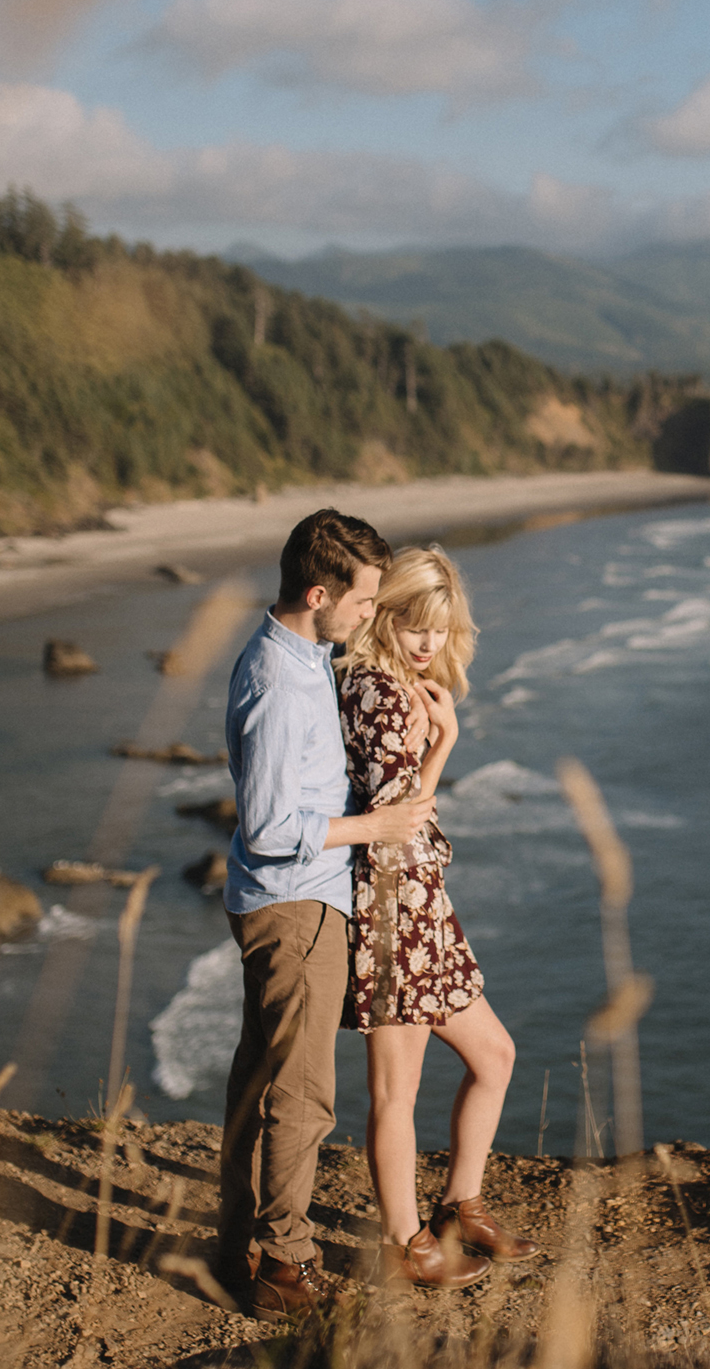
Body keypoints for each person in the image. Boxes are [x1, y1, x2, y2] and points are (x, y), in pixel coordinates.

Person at [215, 509, 436, 1323]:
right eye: (365, 601)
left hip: (282, 902)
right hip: (296, 904)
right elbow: (272, 829)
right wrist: (371, 827)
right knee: (301, 1095)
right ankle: (285, 1261)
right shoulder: (279, 682)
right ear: (320, 592)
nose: (370, 615)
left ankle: (236, 1239)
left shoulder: (303, 657)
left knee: (260, 1080)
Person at [338, 545, 542, 1287]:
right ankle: (403, 1244)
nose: (426, 641)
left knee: (495, 1055)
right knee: (396, 1092)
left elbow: (407, 815)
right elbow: (398, 817)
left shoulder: (398, 683)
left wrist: (438, 743)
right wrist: (445, 743)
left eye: (438, 627)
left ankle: (460, 1205)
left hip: (423, 903)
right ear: (384, 613)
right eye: (412, 622)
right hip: (394, 909)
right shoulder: (376, 691)